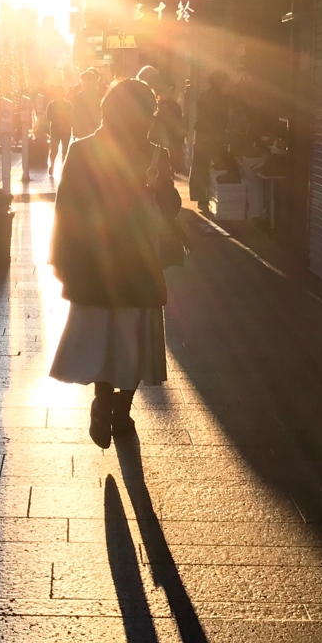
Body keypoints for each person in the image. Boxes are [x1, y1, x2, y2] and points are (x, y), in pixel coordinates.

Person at [49, 78, 181, 449]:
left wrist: (62, 259)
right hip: (138, 264)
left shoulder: (83, 149)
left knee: (103, 335)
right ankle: (120, 412)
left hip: (95, 265)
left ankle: (103, 400)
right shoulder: (155, 155)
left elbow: (66, 210)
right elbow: (170, 209)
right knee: (135, 337)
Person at [188, 71, 230, 211]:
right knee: (218, 164)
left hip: (202, 134)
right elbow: (223, 119)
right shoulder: (222, 98)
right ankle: (214, 196)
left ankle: (201, 197)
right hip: (214, 135)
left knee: (200, 165)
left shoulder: (204, 96)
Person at [154, 83, 186, 175]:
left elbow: (178, 121)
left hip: (173, 137)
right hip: (160, 137)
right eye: (166, 91)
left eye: (170, 91)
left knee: (172, 157)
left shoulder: (175, 106)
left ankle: (172, 171)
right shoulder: (156, 105)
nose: (168, 94)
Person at [45, 85, 73, 176]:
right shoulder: (52, 105)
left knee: (65, 150)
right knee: (54, 149)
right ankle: (52, 166)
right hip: (56, 129)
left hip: (65, 129)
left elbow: (71, 117)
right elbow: (48, 117)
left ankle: (63, 168)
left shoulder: (68, 104)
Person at [71, 69, 102, 139]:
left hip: (83, 128)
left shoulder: (79, 96)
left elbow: (75, 113)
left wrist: (75, 129)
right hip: (96, 127)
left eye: (82, 81)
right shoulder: (99, 94)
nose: (81, 83)